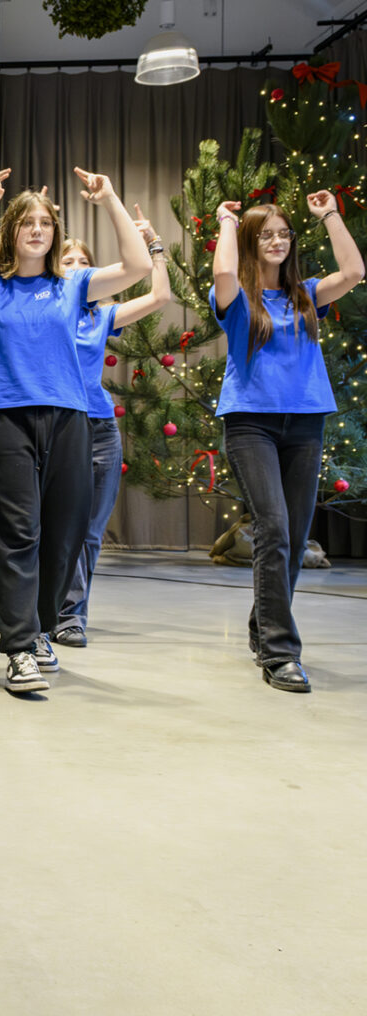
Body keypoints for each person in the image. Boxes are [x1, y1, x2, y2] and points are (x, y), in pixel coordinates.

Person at [0, 168, 149, 693]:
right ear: (11, 231)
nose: (37, 229)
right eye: (26, 222)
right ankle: (19, 648)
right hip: (6, 420)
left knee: (65, 535)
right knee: (19, 535)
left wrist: (110, 200)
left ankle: (38, 629)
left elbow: (138, 267)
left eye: (45, 223)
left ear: (55, 233)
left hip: (69, 420)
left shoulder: (74, 285)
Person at [211, 190, 363, 692]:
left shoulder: (306, 294)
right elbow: (223, 271)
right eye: (266, 235)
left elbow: (354, 271)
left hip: (305, 423)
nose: (277, 242)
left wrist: (330, 215)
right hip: (250, 423)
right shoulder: (236, 299)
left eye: (284, 234)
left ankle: (262, 624)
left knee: (295, 539)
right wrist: (227, 223)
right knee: (273, 527)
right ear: (251, 242)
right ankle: (280, 652)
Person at [52, 208, 172, 648]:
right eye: (67, 261)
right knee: (57, 525)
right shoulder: (44, 308)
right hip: (57, 426)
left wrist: (154, 245)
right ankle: (47, 608)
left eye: (84, 262)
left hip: (100, 428)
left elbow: (160, 297)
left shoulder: (101, 316)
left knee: (89, 530)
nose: (76, 268)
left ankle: (71, 615)